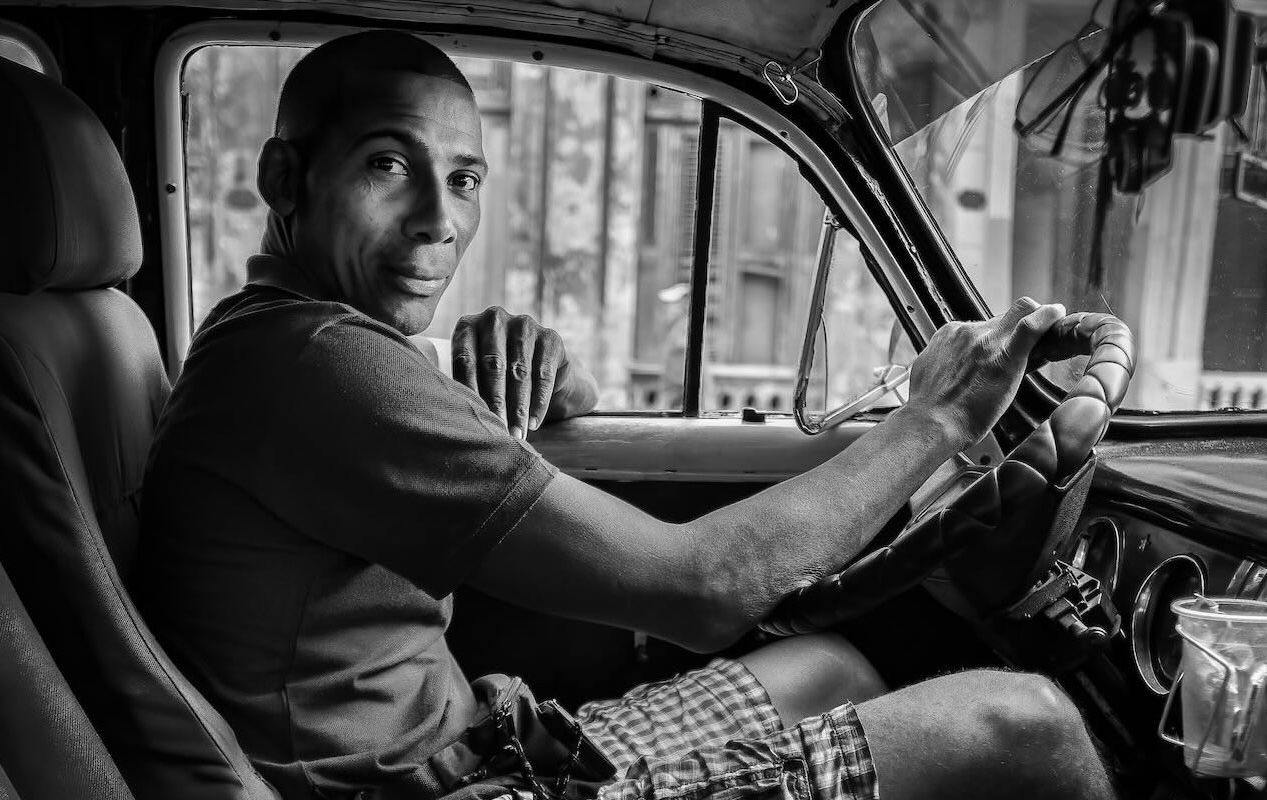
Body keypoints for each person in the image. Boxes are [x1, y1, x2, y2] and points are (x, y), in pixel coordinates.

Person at [135, 30, 1112, 800]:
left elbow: (437, 415)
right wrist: (934, 418)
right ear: (282, 182)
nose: (439, 216)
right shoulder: (319, 364)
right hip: (444, 788)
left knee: (831, 664)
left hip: (478, 744)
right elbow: (701, 589)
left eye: (465, 177)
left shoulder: (278, 343)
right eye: (388, 164)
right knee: (1023, 721)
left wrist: (558, 381)